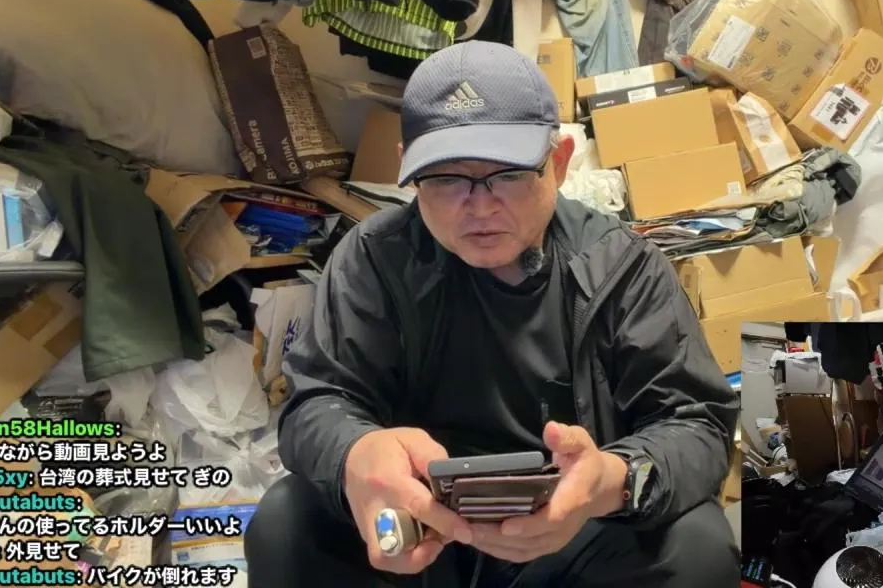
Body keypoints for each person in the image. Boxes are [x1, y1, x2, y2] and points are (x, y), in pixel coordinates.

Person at [244, 41, 741, 588]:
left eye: (508, 174)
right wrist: (355, 453)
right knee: (287, 523)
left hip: (576, 527)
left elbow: (697, 423)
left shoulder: (622, 266)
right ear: (409, 168)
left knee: (698, 547)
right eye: (446, 179)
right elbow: (318, 400)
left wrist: (610, 480)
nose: (479, 207)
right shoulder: (374, 259)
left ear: (558, 162)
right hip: (422, 524)